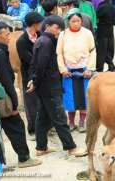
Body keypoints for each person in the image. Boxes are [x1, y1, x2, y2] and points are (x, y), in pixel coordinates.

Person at [27, 15, 85, 157]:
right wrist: (34, 81)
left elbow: (35, 65)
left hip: (46, 86)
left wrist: (34, 80)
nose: (58, 31)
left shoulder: (43, 40)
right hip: (49, 86)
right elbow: (40, 66)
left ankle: (41, 148)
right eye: (56, 27)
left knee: (43, 117)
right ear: (47, 26)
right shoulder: (46, 42)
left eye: (60, 28)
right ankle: (71, 148)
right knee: (60, 118)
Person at [0, 22, 42, 168]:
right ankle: (24, 159)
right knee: (17, 126)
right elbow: (6, 80)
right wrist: (14, 102)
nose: (9, 37)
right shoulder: (0, 54)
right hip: (3, 97)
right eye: (7, 34)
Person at [57, 9, 96, 132]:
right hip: (68, 71)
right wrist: (63, 69)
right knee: (70, 98)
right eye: (73, 21)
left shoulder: (87, 33)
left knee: (84, 97)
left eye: (78, 21)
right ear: (68, 22)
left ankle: (82, 122)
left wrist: (89, 69)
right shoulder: (63, 34)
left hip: (84, 70)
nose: (76, 23)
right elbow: (59, 53)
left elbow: (92, 51)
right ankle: (71, 122)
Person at [16, 12, 44, 137]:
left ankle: (45, 126)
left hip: (43, 74)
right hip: (29, 76)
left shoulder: (41, 35)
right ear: (34, 24)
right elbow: (29, 60)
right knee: (31, 103)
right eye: (40, 23)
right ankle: (33, 129)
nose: (42, 25)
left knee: (43, 100)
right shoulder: (21, 41)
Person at [96, 0, 115, 72]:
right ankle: (111, 66)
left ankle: (100, 69)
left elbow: (97, 16)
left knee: (101, 50)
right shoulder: (112, 7)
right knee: (109, 49)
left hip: (101, 30)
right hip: (110, 30)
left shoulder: (100, 7)